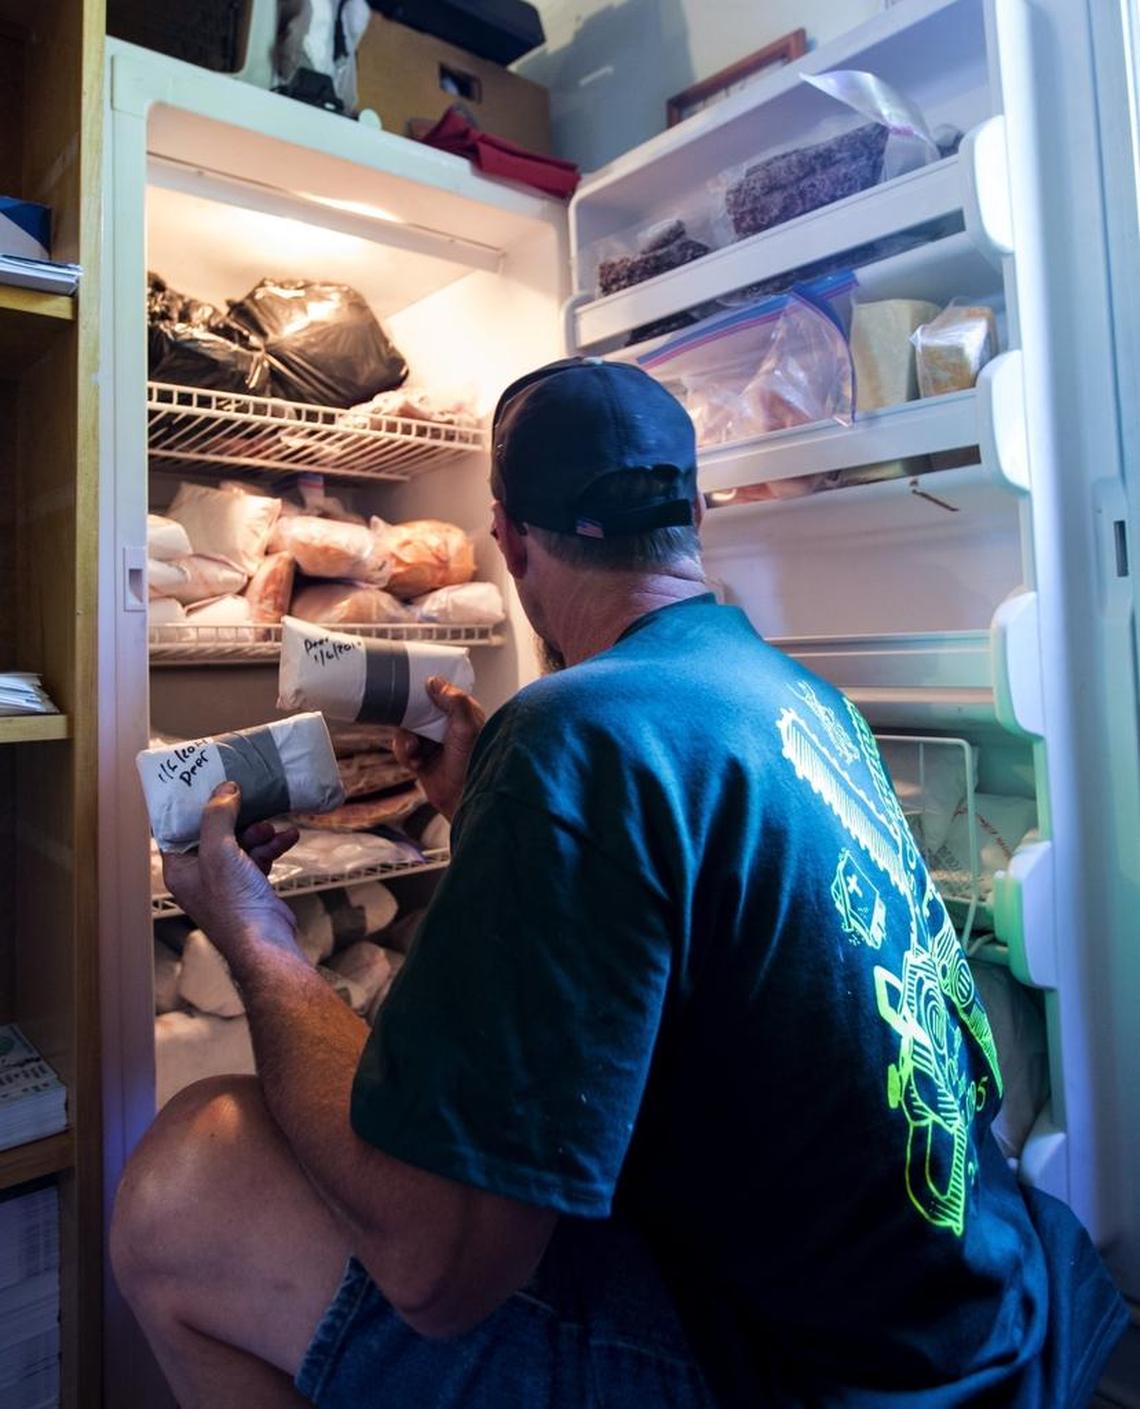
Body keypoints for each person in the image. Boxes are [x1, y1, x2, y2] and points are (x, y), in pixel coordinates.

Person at [112, 359, 1127, 1408]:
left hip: (833, 1380)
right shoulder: (800, 700)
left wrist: (255, 931)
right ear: (695, 515)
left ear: (509, 540)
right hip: (998, 1315)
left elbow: (437, 1268)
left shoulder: (575, 726)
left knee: (192, 1174)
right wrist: (492, 811)